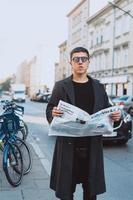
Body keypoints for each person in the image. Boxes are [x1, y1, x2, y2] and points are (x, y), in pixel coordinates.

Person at [46, 47, 121, 200]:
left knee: (91, 192)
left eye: (83, 59)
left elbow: (107, 111)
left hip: (91, 146)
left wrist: (116, 116)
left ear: (88, 62)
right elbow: (50, 109)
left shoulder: (99, 87)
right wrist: (52, 113)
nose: (80, 62)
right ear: (71, 63)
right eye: (76, 59)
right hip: (68, 147)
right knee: (66, 193)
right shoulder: (61, 86)